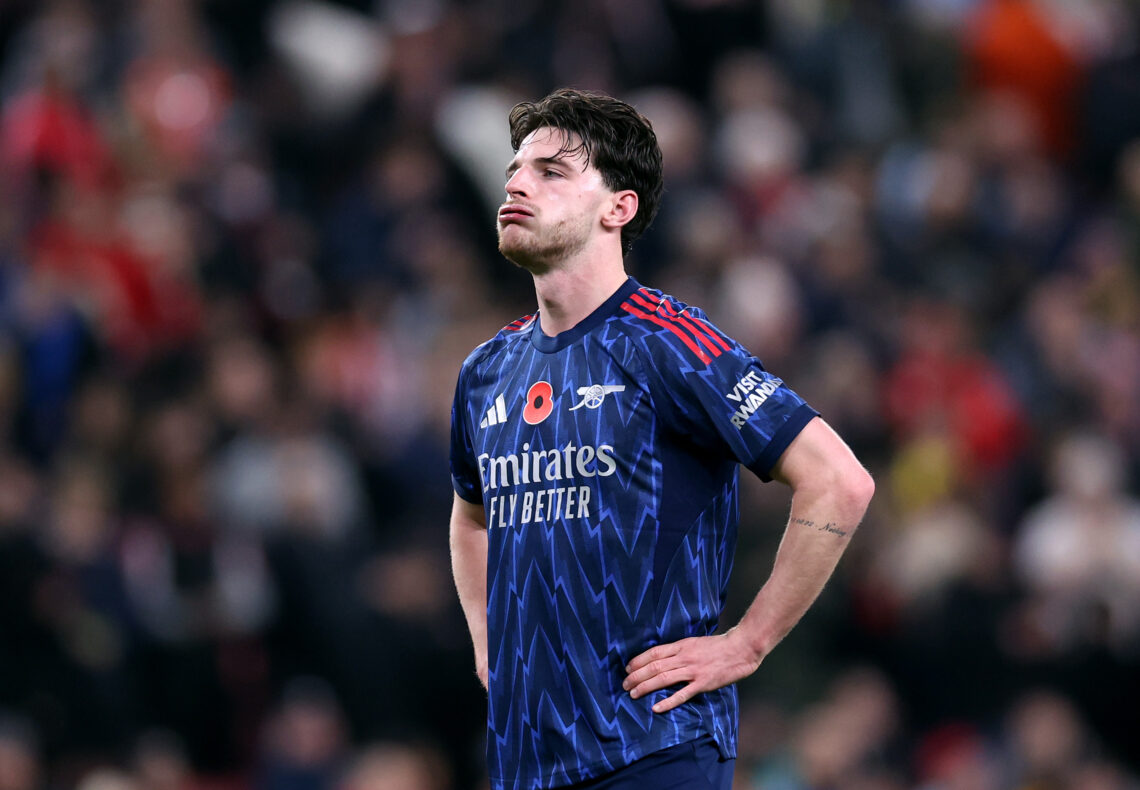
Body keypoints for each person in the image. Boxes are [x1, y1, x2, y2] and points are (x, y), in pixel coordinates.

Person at [449, 88, 874, 790]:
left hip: (653, 747)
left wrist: (748, 643)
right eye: (514, 172)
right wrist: (485, 633)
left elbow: (840, 480)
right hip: (524, 760)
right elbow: (471, 517)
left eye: (552, 171)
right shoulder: (486, 371)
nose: (518, 183)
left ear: (619, 208)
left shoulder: (668, 341)